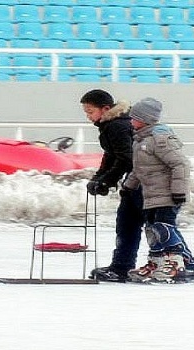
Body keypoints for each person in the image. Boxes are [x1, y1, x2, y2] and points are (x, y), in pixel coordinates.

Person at [122, 97, 194, 283]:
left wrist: (178, 191)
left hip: (167, 194)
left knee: (164, 227)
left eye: (134, 117)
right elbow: (139, 169)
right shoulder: (140, 140)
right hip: (151, 195)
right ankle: (158, 262)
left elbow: (180, 164)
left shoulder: (160, 139)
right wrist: (129, 186)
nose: (130, 120)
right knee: (152, 229)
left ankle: (177, 263)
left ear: (145, 119)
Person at [80, 89, 145, 282]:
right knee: (126, 222)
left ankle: (182, 263)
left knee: (150, 224)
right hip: (133, 181)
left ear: (105, 108)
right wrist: (99, 178)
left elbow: (126, 159)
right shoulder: (111, 125)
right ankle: (122, 266)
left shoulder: (117, 126)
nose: (88, 117)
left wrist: (106, 181)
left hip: (144, 182)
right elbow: (110, 156)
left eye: (90, 112)